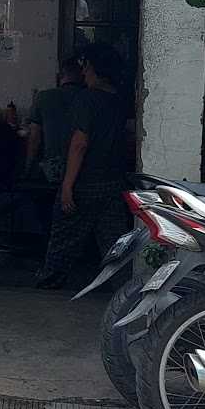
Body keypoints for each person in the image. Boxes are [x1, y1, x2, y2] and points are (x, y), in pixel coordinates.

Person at [38, 45, 133, 289]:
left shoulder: (87, 99)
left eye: (85, 64)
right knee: (114, 242)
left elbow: (79, 143)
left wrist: (68, 185)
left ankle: (49, 285)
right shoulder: (120, 101)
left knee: (63, 239)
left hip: (85, 182)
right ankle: (124, 290)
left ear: (91, 68)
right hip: (113, 182)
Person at [26, 57, 86, 183]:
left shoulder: (44, 97)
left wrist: (27, 168)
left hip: (52, 169)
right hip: (83, 169)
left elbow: (34, 138)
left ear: (60, 76)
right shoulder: (89, 98)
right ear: (82, 75)